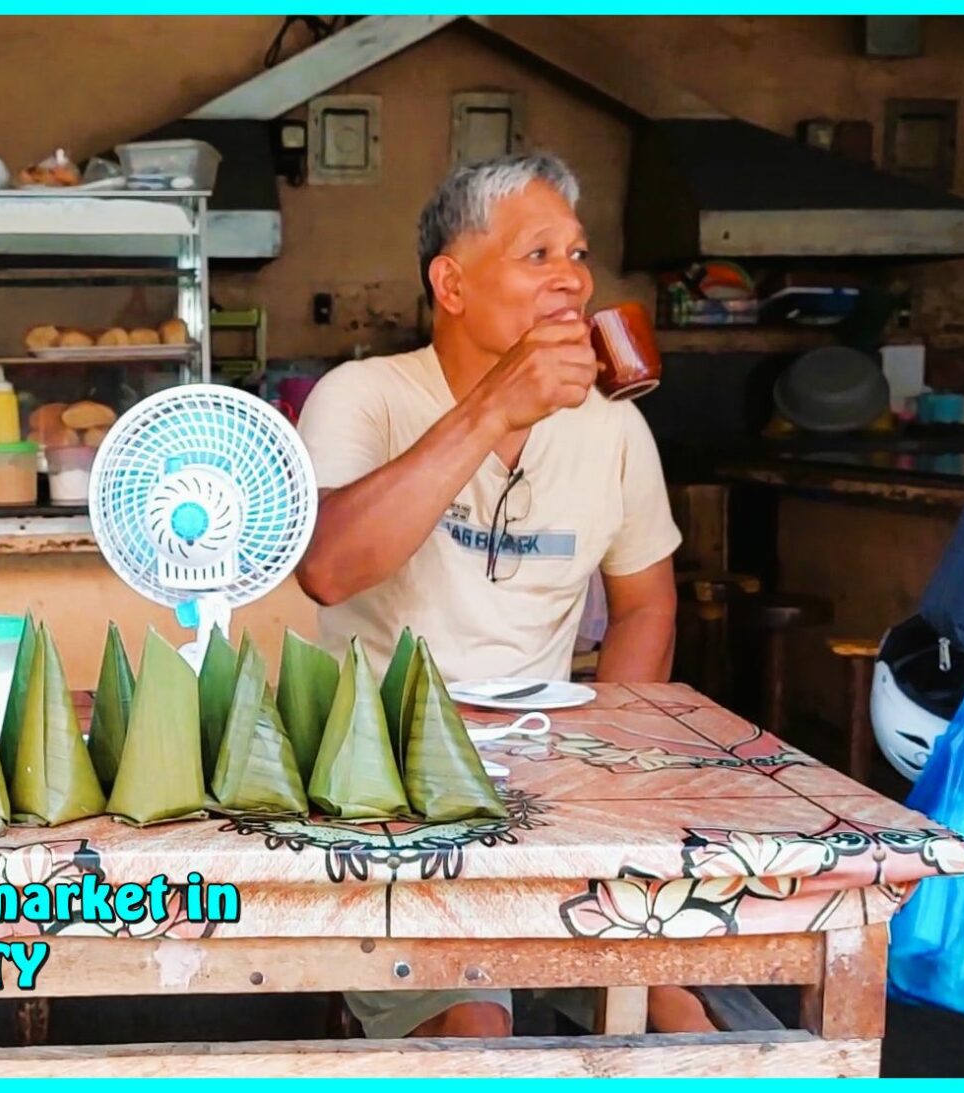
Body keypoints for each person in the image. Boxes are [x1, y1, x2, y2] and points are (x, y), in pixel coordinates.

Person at [294, 153, 706, 1039]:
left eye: (579, 253)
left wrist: (604, 769)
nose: (573, 277)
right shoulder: (362, 397)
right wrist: (493, 409)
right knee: (474, 1029)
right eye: (538, 254)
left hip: (550, 785)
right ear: (451, 282)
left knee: (680, 1020)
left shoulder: (615, 426)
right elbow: (328, 565)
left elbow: (646, 607)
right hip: (388, 794)